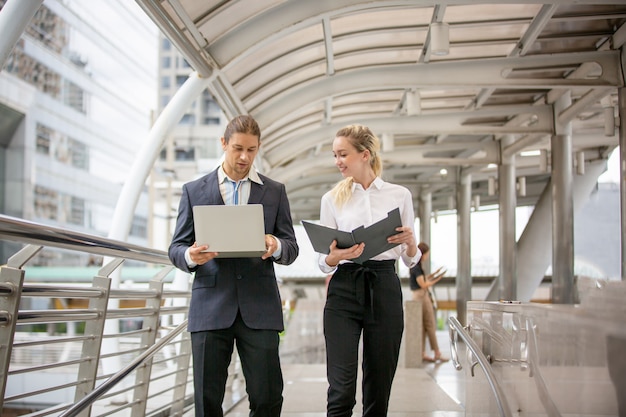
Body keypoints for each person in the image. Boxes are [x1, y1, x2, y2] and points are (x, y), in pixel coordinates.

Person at [168, 115, 299, 417]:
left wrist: (275, 245)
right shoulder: (194, 190)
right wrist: (191, 256)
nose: (244, 157)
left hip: (260, 307)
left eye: (251, 150)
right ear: (223, 144)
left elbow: (291, 247)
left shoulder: (274, 191)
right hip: (210, 307)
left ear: (258, 148)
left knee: (268, 398)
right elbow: (176, 248)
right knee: (207, 402)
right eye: (237, 148)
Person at [317, 124, 420, 417]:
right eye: (335, 155)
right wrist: (335, 257)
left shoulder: (399, 195)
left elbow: (409, 259)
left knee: (378, 386)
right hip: (344, 289)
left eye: (343, 154)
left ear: (365, 155)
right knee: (341, 388)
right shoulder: (331, 199)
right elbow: (322, 261)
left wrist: (411, 244)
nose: (337, 161)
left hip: (385, 286)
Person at [409, 242, 448, 363]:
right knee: (430, 324)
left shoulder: (415, 266)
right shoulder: (417, 267)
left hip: (417, 296)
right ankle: (437, 352)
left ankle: (422, 352)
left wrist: (435, 273)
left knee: (423, 326)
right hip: (421, 296)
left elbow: (424, 279)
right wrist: (437, 279)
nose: (427, 257)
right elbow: (423, 284)